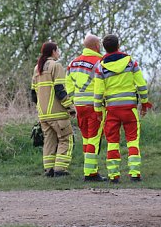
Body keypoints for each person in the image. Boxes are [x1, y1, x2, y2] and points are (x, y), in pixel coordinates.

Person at [93, 34, 151, 183]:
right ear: (118, 45)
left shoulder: (100, 66)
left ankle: (114, 175)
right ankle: (135, 173)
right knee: (133, 141)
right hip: (130, 109)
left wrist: (98, 110)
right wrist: (144, 103)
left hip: (111, 110)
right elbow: (141, 85)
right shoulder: (131, 62)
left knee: (112, 142)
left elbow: (98, 92)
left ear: (104, 48)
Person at [66, 34, 107, 182]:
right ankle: (91, 173)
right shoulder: (99, 62)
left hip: (79, 106)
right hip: (94, 106)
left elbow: (68, 86)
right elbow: (102, 85)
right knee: (94, 139)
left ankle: (88, 169)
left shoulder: (73, 63)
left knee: (86, 139)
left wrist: (73, 101)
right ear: (96, 46)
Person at [31, 41, 75, 177]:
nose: (59, 52)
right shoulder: (56, 66)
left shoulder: (37, 69)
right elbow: (60, 90)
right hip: (58, 113)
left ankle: (49, 170)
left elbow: (33, 94)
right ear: (53, 52)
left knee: (49, 141)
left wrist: (41, 108)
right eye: (58, 50)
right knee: (66, 139)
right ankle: (60, 170)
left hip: (43, 115)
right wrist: (70, 107)